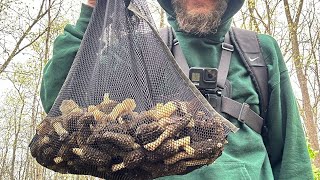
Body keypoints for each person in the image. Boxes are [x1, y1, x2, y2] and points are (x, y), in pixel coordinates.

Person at [40, 0, 314, 179]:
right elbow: (62, 102)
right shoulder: (139, 52)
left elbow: (290, 152)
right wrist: (91, 11)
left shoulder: (259, 51)